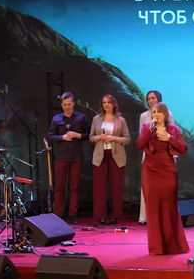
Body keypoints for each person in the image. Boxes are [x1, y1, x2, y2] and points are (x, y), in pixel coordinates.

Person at [136, 102, 189, 255]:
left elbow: (183, 148)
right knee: (152, 208)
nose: (156, 114)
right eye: (154, 112)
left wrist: (169, 138)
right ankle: (156, 247)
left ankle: (172, 245)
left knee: (169, 208)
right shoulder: (147, 127)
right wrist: (150, 130)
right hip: (150, 171)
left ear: (165, 115)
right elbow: (139, 144)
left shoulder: (173, 130)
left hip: (168, 171)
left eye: (159, 112)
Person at [47, 92, 90, 224]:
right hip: (61, 157)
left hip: (76, 157)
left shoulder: (81, 118)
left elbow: (89, 134)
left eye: (69, 104)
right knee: (59, 186)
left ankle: (73, 214)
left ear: (73, 104)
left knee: (74, 187)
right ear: (61, 105)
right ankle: (58, 214)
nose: (67, 107)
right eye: (65, 105)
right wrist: (62, 137)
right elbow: (50, 136)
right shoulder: (56, 119)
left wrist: (78, 135)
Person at [90, 94, 131, 225]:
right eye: (104, 102)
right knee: (99, 187)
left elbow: (127, 139)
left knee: (117, 187)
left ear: (114, 104)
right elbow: (91, 137)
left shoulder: (121, 120)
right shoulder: (96, 119)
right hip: (100, 156)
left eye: (108, 102)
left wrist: (114, 138)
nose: (106, 104)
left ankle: (116, 216)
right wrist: (100, 137)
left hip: (116, 156)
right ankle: (100, 216)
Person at [138, 90, 174, 224]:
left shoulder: (169, 114)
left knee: (164, 188)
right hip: (149, 154)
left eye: (153, 98)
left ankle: (164, 216)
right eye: (148, 99)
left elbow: (173, 134)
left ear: (159, 99)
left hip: (164, 154)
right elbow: (141, 137)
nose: (151, 101)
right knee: (148, 187)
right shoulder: (144, 116)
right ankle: (145, 216)